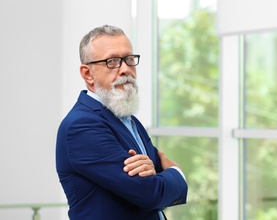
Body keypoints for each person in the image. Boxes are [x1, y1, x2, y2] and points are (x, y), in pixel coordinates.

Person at [56, 25, 188, 220]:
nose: (125, 69)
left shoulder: (128, 119)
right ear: (87, 74)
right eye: (112, 62)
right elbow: (150, 192)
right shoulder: (81, 126)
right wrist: (177, 172)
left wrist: (157, 176)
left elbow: (155, 177)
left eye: (128, 59)